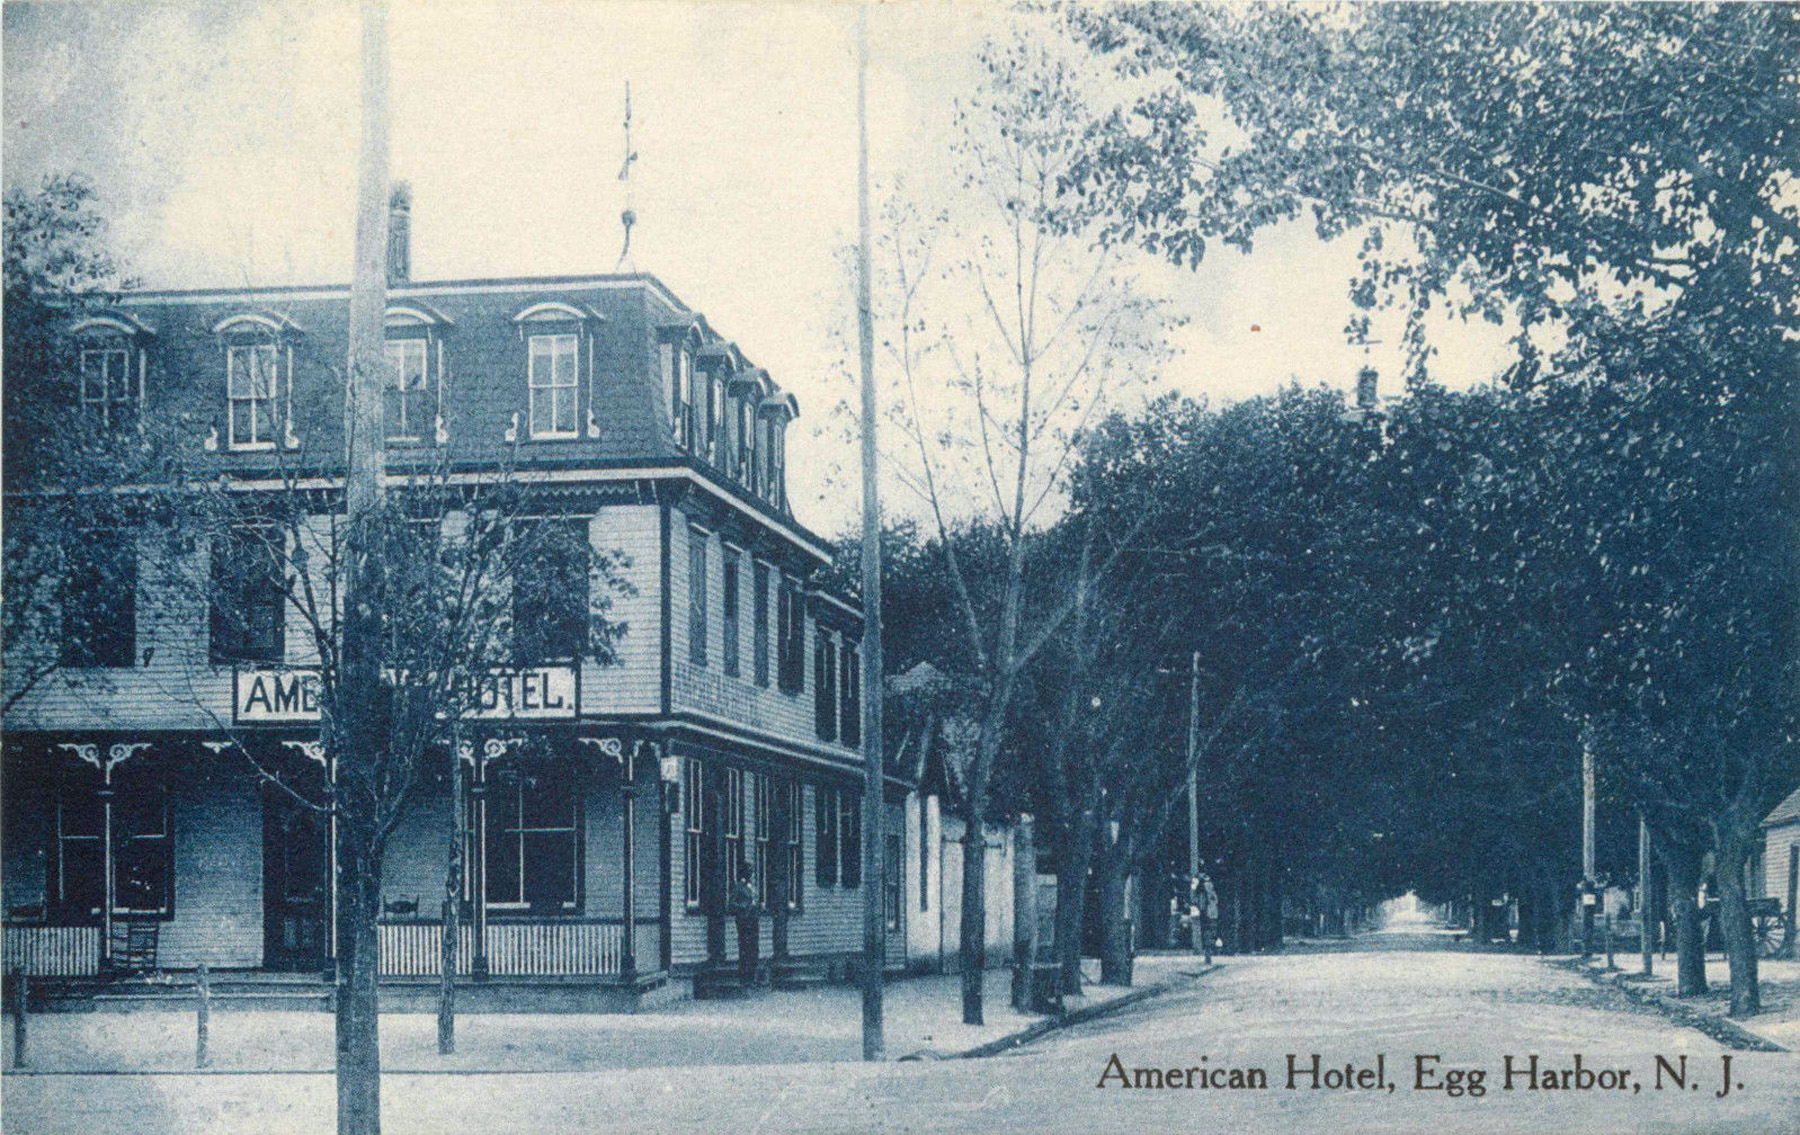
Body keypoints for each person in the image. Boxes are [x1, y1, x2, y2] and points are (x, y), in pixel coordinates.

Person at [726, 865, 762, 983]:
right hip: (743, 922)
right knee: (745, 947)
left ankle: (752, 976)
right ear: (744, 873)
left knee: (754, 948)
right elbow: (731, 905)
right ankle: (744, 976)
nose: (751, 874)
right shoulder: (738, 887)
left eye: (752, 872)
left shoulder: (751, 887)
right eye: (749, 872)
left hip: (753, 920)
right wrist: (743, 906)